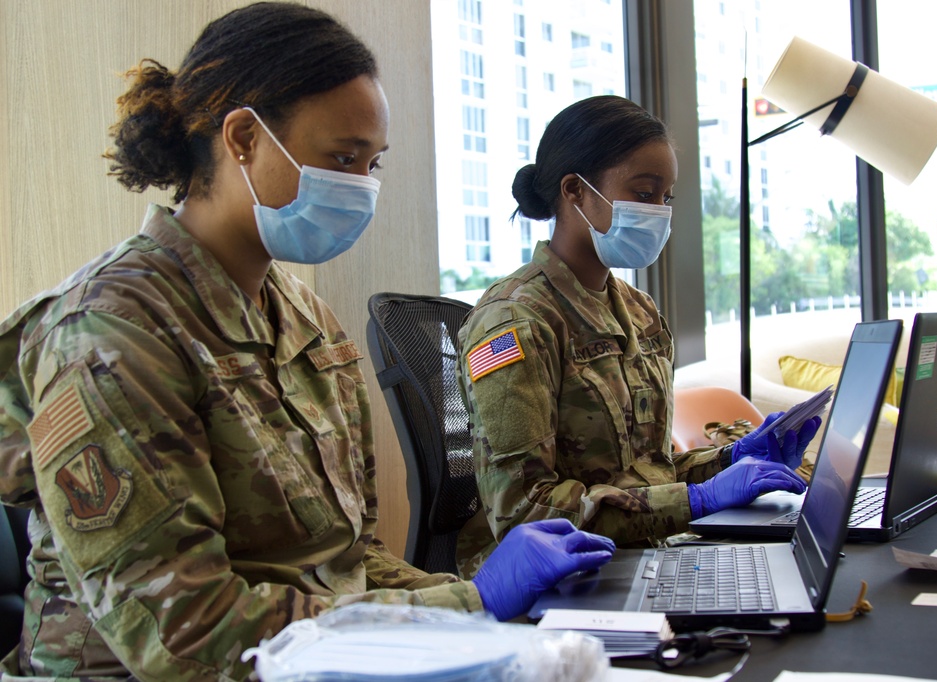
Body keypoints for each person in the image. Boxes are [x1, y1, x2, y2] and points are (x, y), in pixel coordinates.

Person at [0, 4, 615, 679]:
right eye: (342, 159)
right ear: (243, 137)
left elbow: (348, 561)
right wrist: (470, 603)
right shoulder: (112, 333)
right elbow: (183, 637)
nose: (362, 187)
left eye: (372, 163)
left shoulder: (307, 320)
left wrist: (483, 611)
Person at [455, 95, 820, 578]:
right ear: (575, 191)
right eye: (644, 194)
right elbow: (524, 512)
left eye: (666, 197)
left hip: (649, 554)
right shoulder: (513, 323)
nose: (660, 212)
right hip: (564, 579)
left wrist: (733, 460)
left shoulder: (638, 311)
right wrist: (698, 499)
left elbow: (651, 472)